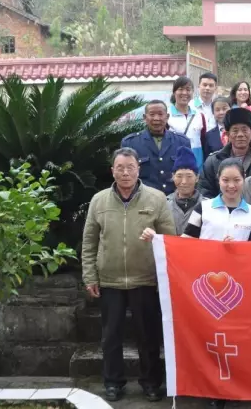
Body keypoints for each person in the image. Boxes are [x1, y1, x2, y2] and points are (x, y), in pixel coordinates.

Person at [81, 147, 176, 403]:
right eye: (120, 168)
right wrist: (90, 276)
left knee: (148, 336)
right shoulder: (99, 201)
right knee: (111, 337)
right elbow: (89, 242)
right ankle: (113, 383)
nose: (125, 173)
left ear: (138, 169)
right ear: (112, 170)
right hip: (109, 281)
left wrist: (157, 245)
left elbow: (171, 240)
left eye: (130, 167)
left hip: (145, 280)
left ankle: (151, 382)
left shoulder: (156, 199)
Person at [121, 100, 191, 195]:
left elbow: (188, 173)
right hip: (144, 198)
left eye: (160, 114)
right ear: (145, 118)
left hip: (174, 199)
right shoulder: (131, 142)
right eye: (152, 114)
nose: (156, 118)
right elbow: (125, 174)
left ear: (167, 117)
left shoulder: (182, 141)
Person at [200, 108, 251, 199]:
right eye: (235, 130)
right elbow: (206, 192)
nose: (240, 134)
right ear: (227, 135)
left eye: (244, 130)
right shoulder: (213, 161)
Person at [168, 76, 208, 171]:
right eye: (180, 89)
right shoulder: (167, 115)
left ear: (192, 92)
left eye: (188, 89)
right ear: (174, 92)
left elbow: (203, 140)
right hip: (175, 166)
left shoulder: (199, 115)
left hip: (198, 166)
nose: (185, 93)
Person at [166, 146, 202, 235]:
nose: (184, 182)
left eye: (189, 176)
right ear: (173, 176)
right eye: (179, 176)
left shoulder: (207, 206)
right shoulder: (164, 204)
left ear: (197, 177)